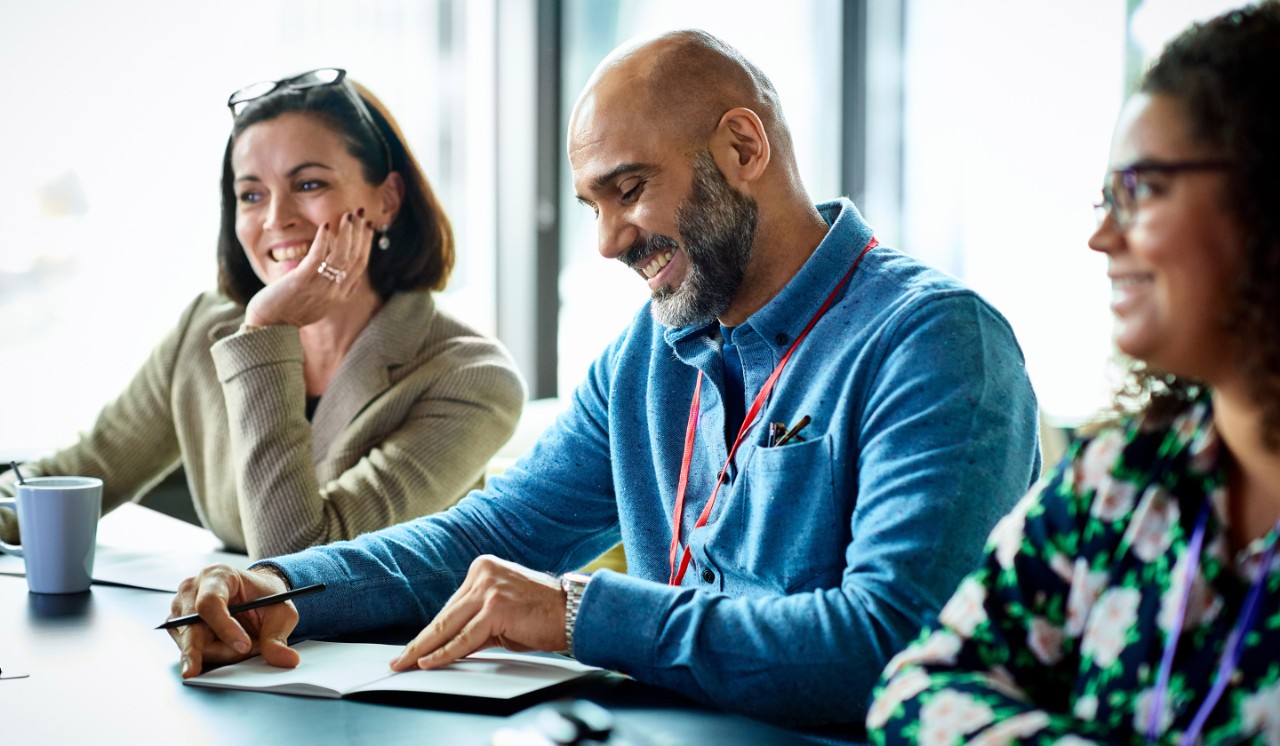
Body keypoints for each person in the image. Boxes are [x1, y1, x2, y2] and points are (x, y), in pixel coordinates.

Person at [169, 33, 1041, 732]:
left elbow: (890, 647)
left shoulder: (937, 343)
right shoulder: (650, 353)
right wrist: (281, 585)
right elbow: (492, 534)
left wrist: (584, 612)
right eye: (592, 204)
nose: (608, 242)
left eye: (629, 190)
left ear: (743, 147)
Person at [868, 4, 1280, 744]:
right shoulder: (1119, 480)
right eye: (1107, 196)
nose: (1101, 236)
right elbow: (915, 688)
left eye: (1143, 189)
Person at [0, 69, 525, 559]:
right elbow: (74, 475)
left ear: (386, 200)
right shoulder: (205, 330)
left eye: (309, 184)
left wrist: (269, 332)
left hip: (386, 653)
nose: (277, 218)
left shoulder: (473, 380)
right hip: (228, 651)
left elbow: (299, 562)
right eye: (251, 194)